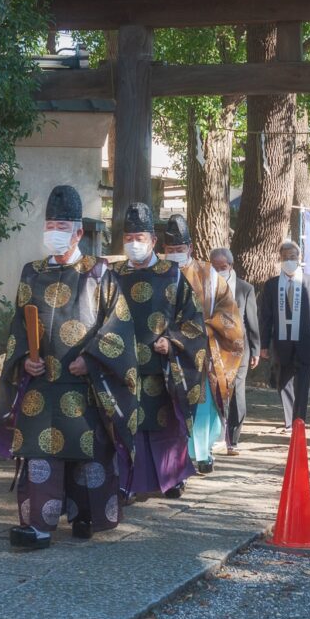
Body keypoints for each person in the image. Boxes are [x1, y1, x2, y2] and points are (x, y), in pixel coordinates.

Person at [0, 185, 139, 550]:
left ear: (78, 233)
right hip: (40, 383)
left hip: (83, 382)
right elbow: (17, 326)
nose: (54, 233)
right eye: (49, 225)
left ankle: (85, 515)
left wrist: (92, 360)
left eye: (62, 226)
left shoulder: (101, 273)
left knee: (87, 451)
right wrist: (25, 358)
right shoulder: (31, 273)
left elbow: (118, 326)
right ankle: (37, 525)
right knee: (40, 453)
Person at [112, 202, 207, 499]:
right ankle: (127, 482)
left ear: (153, 241)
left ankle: (172, 477)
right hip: (121, 366)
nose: (133, 244)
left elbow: (193, 321)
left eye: (140, 238)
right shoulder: (112, 275)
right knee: (128, 426)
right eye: (128, 238)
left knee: (165, 426)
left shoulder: (173, 275)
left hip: (161, 366)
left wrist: (174, 340)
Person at [161, 215, 244, 474]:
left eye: (180, 250)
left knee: (201, 406)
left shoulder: (208, 275)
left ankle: (202, 452)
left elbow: (228, 311)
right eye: (170, 250)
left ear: (191, 248)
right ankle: (174, 456)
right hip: (164, 349)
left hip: (200, 351)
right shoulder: (156, 273)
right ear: (163, 250)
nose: (175, 254)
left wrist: (208, 327)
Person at [259, 240, 310, 430]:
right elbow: (266, 317)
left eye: (293, 257)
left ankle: (299, 420)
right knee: (283, 383)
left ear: (299, 258)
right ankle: (288, 419)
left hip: (306, 342)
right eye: (285, 257)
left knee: (303, 385)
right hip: (282, 342)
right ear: (280, 259)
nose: (289, 260)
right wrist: (264, 345)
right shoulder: (271, 285)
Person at [211, 247, 260, 456]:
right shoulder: (207, 286)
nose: (220, 270)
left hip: (240, 347)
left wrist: (256, 349)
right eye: (215, 267)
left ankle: (233, 436)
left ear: (230, 266)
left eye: (223, 267)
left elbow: (252, 321)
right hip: (214, 346)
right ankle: (216, 434)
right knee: (216, 389)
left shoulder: (245, 288)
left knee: (237, 389)